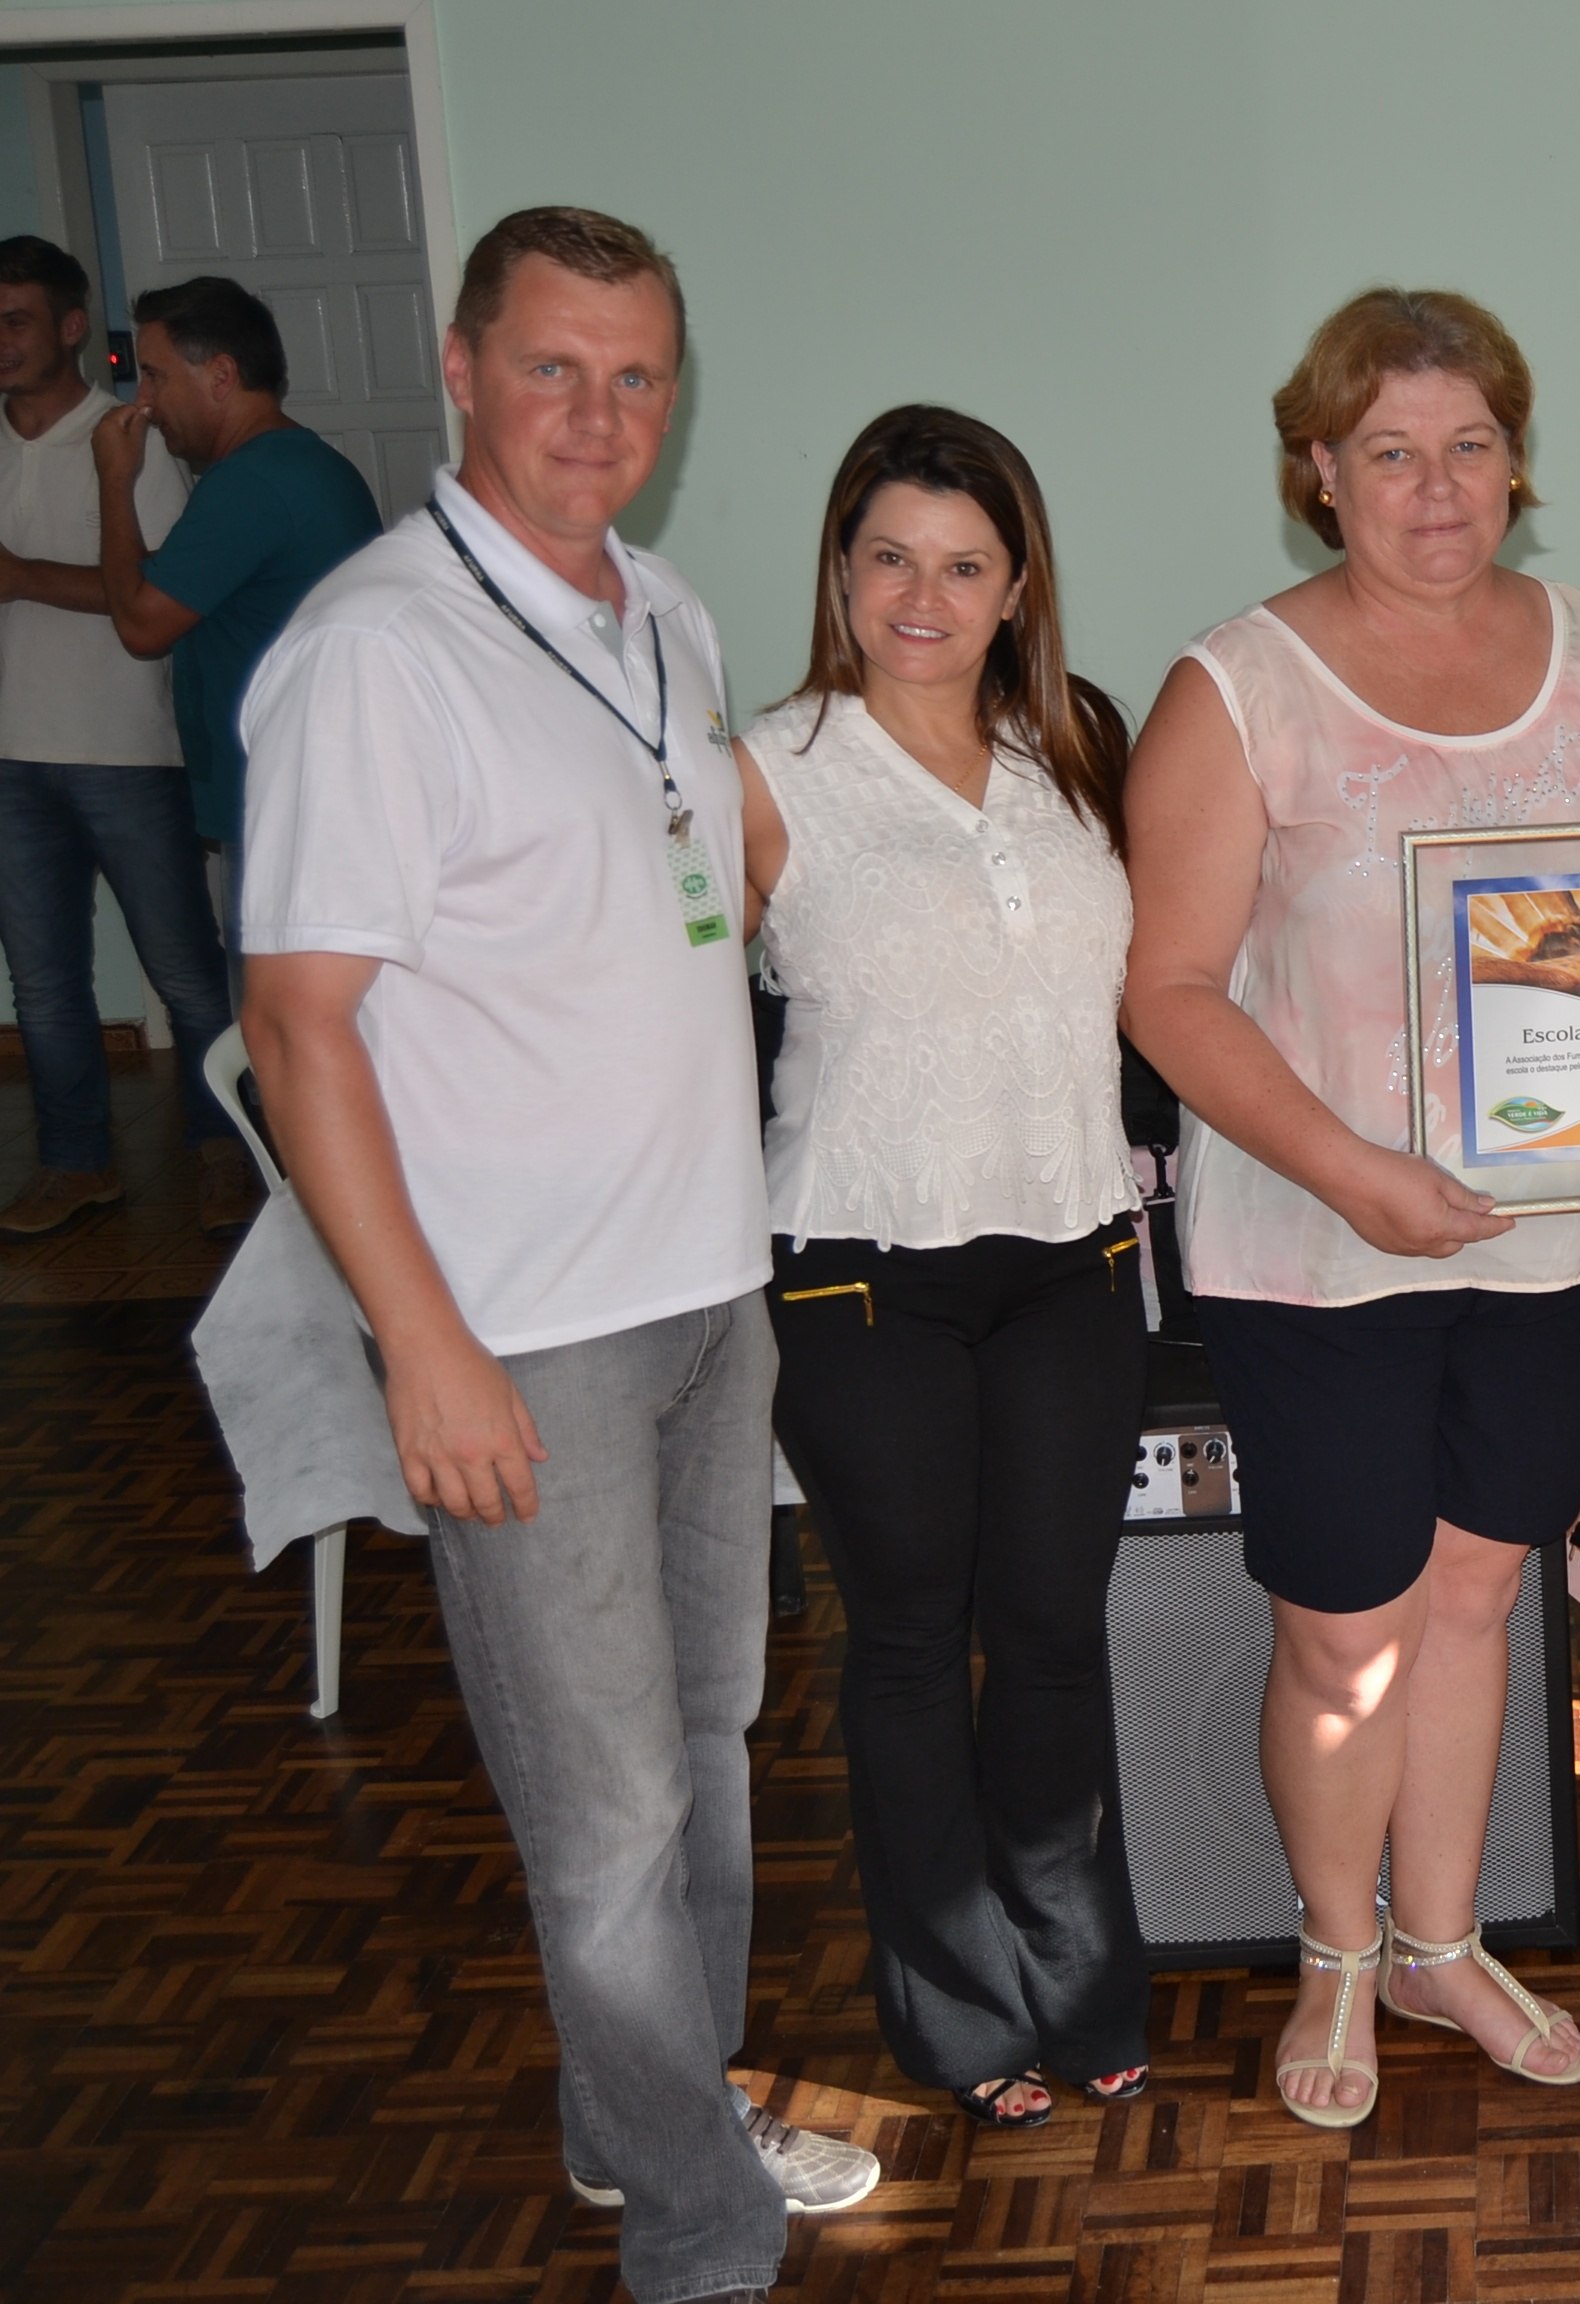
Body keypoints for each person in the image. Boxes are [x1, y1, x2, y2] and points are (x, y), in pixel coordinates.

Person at [240, 207, 877, 2304]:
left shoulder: (663, 615)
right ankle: (697, 2235)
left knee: (704, 1762)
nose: (598, 416)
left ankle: (644, 2122)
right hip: (529, 1336)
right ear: (459, 364)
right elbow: (297, 1024)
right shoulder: (373, 653)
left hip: (705, 1294)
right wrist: (420, 1347)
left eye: (638, 377)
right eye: (553, 368)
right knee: (600, 1824)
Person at [1124, 288, 1580, 2130]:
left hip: (1557, 1240)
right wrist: (1358, 1171)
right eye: (1387, 451)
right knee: (1342, 1625)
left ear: (1516, 460)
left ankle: (1443, 1941)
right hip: (1316, 1247)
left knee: (1478, 1591)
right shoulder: (1236, 687)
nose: (1434, 487)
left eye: (1467, 444)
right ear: (1317, 472)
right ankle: (1334, 1954)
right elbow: (1172, 991)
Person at [737, 404, 1150, 2131]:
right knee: (911, 1637)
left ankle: (1083, 1974)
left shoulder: (1078, 746)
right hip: (861, 1268)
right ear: (840, 567)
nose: (925, 593)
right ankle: (957, 2005)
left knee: (1053, 1634)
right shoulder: (757, 769)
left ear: (1016, 581)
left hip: (1072, 1251)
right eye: (890, 555)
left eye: (963, 562)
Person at [0, 235, 248, 1239]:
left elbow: (147, 594)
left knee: (185, 970)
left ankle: (226, 1145)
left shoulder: (128, 438)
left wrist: (18, 576)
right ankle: (74, 1165)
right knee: (44, 979)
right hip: (12, 755)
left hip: (129, 751)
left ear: (68, 327)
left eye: (15, 319)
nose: (0, 340)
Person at [94, 273, 384, 1031]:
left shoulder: (253, 483)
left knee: (276, 1031)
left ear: (220, 375)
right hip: (304, 790)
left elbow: (140, 624)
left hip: (285, 797)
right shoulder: (295, 467)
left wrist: (114, 483)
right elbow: (166, 587)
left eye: (155, 375)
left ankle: (280, 1153)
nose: (145, 402)